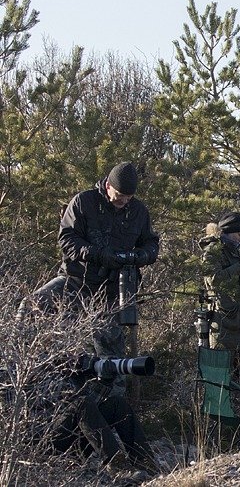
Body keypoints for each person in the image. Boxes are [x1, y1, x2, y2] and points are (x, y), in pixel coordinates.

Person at [30, 162, 159, 396]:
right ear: (108, 186)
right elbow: (66, 239)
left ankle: (113, 411)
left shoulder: (139, 211)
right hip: (76, 282)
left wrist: (142, 256)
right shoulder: (84, 202)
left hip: (112, 292)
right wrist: (97, 254)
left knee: (113, 358)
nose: (124, 201)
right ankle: (22, 370)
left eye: (129, 197)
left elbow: (151, 243)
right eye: (120, 196)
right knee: (34, 304)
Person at [0, 355, 160, 484]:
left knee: (118, 403)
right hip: (42, 444)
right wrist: (71, 378)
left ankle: (145, 461)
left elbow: (89, 414)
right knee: (83, 403)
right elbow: (75, 407)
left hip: (71, 438)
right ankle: (117, 466)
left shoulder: (61, 371)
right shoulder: (21, 372)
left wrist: (99, 381)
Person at [199, 212, 240, 378]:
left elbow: (234, 284)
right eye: (239, 235)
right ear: (227, 231)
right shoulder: (214, 249)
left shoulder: (233, 250)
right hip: (224, 322)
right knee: (222, 377)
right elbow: (214, 279)